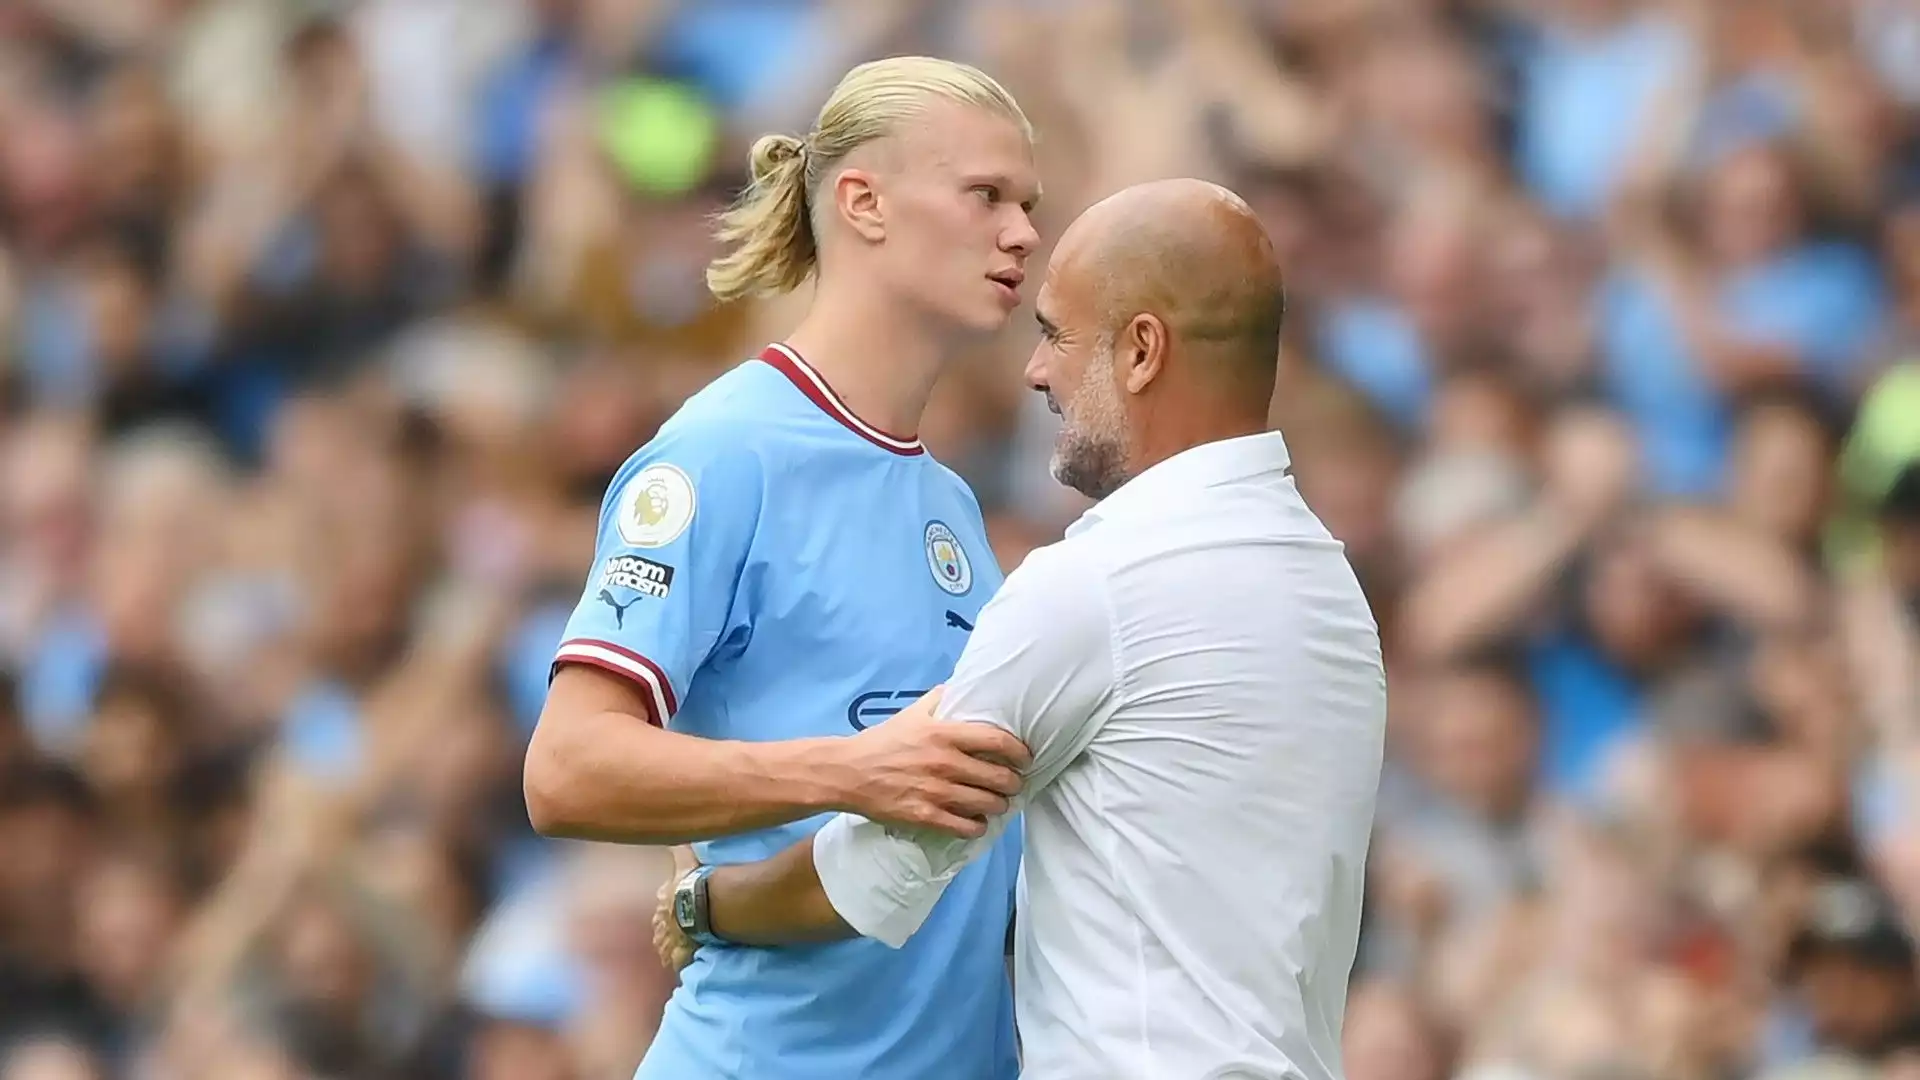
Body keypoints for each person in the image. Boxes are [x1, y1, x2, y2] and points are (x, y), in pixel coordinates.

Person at [657, 179, 1389, 1080]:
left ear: (1142, 351)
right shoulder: (1330, 587)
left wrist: (702, 903)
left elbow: (872, 879)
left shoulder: (1102, 582)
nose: (1037, 371)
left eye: (1055, 335)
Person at [520, 56, 1043, 1079]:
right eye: (985, 194)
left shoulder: (950, 502)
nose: (1023, 231)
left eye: (1028, 203)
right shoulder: (722, 453)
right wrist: (851, 771)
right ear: (865, 203)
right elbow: (566, 770)